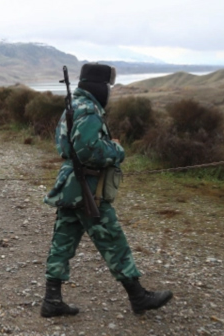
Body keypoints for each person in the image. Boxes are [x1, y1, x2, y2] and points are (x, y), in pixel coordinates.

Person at [40, 63, 172, 318]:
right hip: (88, 188)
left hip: (70, 187)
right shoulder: (89, 110)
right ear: (100, 87)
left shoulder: (72, 105)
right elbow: (89, 150)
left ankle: (52, 300)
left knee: (62, 242)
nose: (109, 92)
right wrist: (116, 150)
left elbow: (63, 145)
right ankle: (138, 296)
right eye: (108, 87)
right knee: (112, 239)